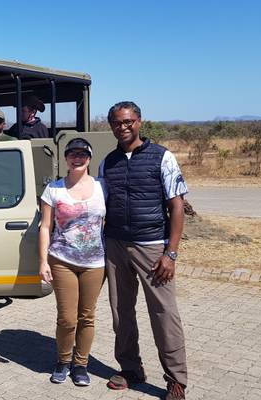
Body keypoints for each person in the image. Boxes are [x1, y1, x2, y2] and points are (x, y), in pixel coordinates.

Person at [98, 101, 188, 400]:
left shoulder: (162, 157)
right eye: (116, 122)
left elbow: (177, 207)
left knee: (164, 313)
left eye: (128, 121)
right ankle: (131, 368)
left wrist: (170, 253)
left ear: (139, 122)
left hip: (151, 247)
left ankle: (176, 379)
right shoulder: (107, 162)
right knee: (121, 311)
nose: (122, 127)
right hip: (115, 245)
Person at [39, 138, 106, 386]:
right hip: (62, 259)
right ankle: (63, 361)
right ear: (65, 159)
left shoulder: (102, 187)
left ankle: (81, 365)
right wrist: (43, 261)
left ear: (90, 158)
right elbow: (45, 227)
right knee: (67, 317)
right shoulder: (53, 189)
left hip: (95, 263)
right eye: (72, 154)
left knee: (87, 316)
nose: (77, 159)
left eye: (83, 154)